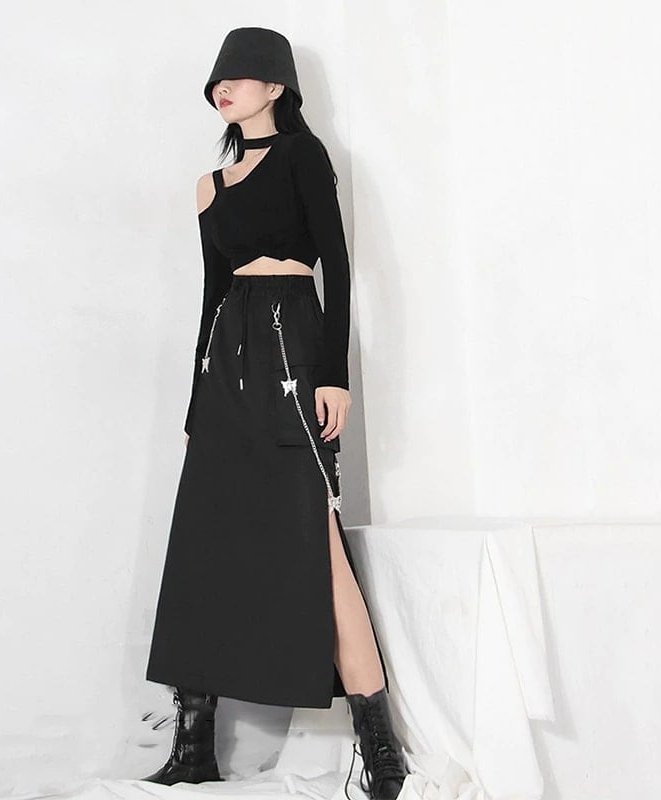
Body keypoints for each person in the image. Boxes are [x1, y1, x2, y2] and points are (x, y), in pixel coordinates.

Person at [142, 27, 409, 800]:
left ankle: (381, 751)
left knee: (315, 538)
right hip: (225, 367)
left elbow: (339, 265)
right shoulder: (209, 187)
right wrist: (195, 401)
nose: (223, 88)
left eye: (240, 75)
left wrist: (335, 376)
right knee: (204, 539)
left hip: (293, 345)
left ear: (276, 86)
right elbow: (211, 295)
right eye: (217, 81)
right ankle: (194, 747)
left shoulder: (304, 156)